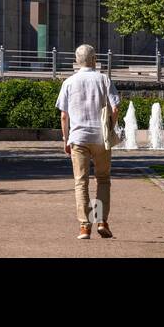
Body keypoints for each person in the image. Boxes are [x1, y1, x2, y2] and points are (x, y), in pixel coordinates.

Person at [56, 43, 120, 240]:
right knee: (102, 179)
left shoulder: (69, 82)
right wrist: (110, 126)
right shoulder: (103, 79)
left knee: (80, 182)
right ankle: (101, 221)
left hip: (78, 138)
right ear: (95, 60)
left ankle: (85, 226)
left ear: (77, 61)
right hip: (100, 137)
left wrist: (66, 139)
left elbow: (64, 116)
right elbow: (115, 108)